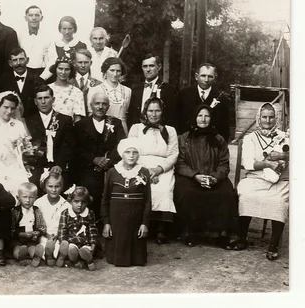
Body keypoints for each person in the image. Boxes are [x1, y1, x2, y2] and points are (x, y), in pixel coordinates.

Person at [174, 105, 239, 248]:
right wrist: (195, 176)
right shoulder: (184, 138)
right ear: (194, 118)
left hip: (213, 178)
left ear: (211, 119)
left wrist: (214, 178)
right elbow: (180, 163)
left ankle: (221, 234)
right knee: (187, 192)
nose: (203, 119)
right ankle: (190, 232)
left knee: (226, 193)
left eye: (207, 116)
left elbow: (224, 164)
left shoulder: (219, 139)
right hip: (191, 177)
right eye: (200, 115)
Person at [236, 103, 289, 260]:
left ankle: (273, 244)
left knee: (279, 202)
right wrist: (267, 163)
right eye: (264, 117)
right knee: (246, 196)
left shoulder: (284, 137)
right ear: (258, 118)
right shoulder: (250, 138)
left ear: (276, 118)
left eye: (271, 117)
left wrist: (283, 156)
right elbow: (248, 164)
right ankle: (242, 238)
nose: (268, 120)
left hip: (279, 181)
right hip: (256, 178)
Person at [128, 97, 179, 244]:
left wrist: (157, 170)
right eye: (150, 110)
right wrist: (145, 172)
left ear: (162, 112)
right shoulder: (136, 128)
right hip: (138, 165)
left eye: (157, 110)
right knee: (139, 186)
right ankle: (138, 225)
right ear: (145, 111)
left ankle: (161, 229)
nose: (154, 114)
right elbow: (130, 151)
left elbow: (173, 154)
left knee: (163, 189)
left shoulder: (170, 130)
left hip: (162, 167)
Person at [73, 92, 125, 226]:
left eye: (104, 104)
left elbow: (122, 145)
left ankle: (110, 222)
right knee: (89, 185)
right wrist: (94, 159)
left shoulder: (116, 123)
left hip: (111, 166)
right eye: (97, 103)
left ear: (108, 106)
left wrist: (109, 161)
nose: (100, 107)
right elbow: (77, 149)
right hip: (88, 167)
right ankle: (90, 222)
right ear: (91, 105)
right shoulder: (81, 125)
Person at [102, 138, 151, 267]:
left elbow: (147, 200)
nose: (131, 155)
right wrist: (107, 223)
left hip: (135, 220)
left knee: (136, 258)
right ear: (121, 154)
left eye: (134, 152)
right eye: (127, 152)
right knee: (117, 255)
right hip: (117, 220)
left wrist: (144, 223)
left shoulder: (144, 172)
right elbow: (105, 199)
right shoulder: (112, 172)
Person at [26, 85, 75, 192]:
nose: (43, 102)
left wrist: (60, 165)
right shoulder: (28, 121)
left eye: (46, 98)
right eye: (40, 98)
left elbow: (68, 146)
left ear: (53, 99)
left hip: (58, 164)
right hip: (37, 166)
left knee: (63, 186)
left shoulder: (64, 120)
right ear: (35, 101)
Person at [0, 92, 30, 195]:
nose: (9, 111)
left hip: (15, 164)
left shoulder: (18, 124)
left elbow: (24, 146)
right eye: (6, 107)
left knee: (21, 189)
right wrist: (3, 155)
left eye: (12, 108)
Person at [177, 63, 230, 142]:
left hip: (211, 144)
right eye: (203, 76)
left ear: (214, 78)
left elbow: (225, 128)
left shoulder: (222, 99)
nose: (206, 80)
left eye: (210, 76)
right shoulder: (183, 95)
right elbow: (177, 122)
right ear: (196, 76)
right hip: (187, 143)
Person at [0, 47, 45, 119]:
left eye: (21, 59)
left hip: (33, 123)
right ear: (10, 63)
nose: (18, 63)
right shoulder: (2, 82)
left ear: (27, 60)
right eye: (14, 60)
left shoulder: (38, 81)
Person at [128, 53, 177, 128]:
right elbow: (131, 114)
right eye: (145, 66)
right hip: (138, 131)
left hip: (160, 131)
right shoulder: (135, 89)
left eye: (151, 66)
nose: (148, 70)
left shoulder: (168, 90)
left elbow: (172, 116)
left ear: (159, 67)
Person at [56, 186, 98, 271]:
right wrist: (63, 242)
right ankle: (75, 261)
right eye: (76, 201)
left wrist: (93, 243)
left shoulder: (89, 213)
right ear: (70, 201)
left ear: (87, 202)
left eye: (83, 202)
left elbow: (92, 229)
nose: (80, 205)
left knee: (85, 250)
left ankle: (89, 260)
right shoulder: (65, 213)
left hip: (85, 242)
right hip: (72, 241)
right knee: (71, 249)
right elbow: (62, 230)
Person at [87, 57, 132, 134]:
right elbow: (91, 115)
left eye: (118, 71)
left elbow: (125, 115)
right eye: (112, 70)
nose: (115, 74)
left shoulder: (127, 91)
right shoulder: (95, 90)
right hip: (101, 129)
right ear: (105, 71)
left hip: (122, 129)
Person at [34, 172, 70, 266]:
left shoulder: (65, 205)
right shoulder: (39, 203)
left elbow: (67, 224)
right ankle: (47, 255)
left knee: (62, 246)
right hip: (44, 234)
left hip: (59, 235)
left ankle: (54, 256)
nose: (54, 190)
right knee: (42, 246)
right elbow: (36, 222)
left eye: (57, 186)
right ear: (44, 187)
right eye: (50, 186)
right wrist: (45, 234)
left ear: (61, 188)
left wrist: (58, 235)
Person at [10, 182, 47, 267]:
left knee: (33, 248)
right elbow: (10, 229)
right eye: (24, 197)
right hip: (17, 239)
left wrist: (38, 232)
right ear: (18, 198)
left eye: (31, 197)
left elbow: (42, 226)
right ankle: (20, 257)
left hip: (31, 239)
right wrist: (21, 234)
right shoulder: (14, 211)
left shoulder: (36, 211)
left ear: (35, 198)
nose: (27, 200)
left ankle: (36, 257)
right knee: (17, 249)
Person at [40, 16, 88, 81]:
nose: (67, 32)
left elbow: (83, 65)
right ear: (60, 29)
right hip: (58, 80)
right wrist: (41, 79)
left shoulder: (81, 45)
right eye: (64, 28)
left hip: (76, 80)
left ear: (74, 29)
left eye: (70, 28)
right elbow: (51, 65)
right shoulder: (55, 45)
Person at [17, 5, 52, 76]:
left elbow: (52, 59)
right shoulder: (19, 36)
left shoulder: (48, 36)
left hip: (42, 72)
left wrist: (43, 77)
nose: (34, 18)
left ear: (41, 18)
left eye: (37, 15)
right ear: (25, 18)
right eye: (30, 15)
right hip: (24, 73)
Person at [48, 57, 86, 122]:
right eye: (60, 68)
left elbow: (77, 118)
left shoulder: (77, 92)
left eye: (67, 69)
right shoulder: (47, 89)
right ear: (55, 69)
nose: (63, 72)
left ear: (71, 71)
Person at [69, 48, 102, 114]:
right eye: (80, 62)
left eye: (86, 62)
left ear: (91, 63)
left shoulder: (98, 84)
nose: (83, 65)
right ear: (74, 63)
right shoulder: (67, 82)